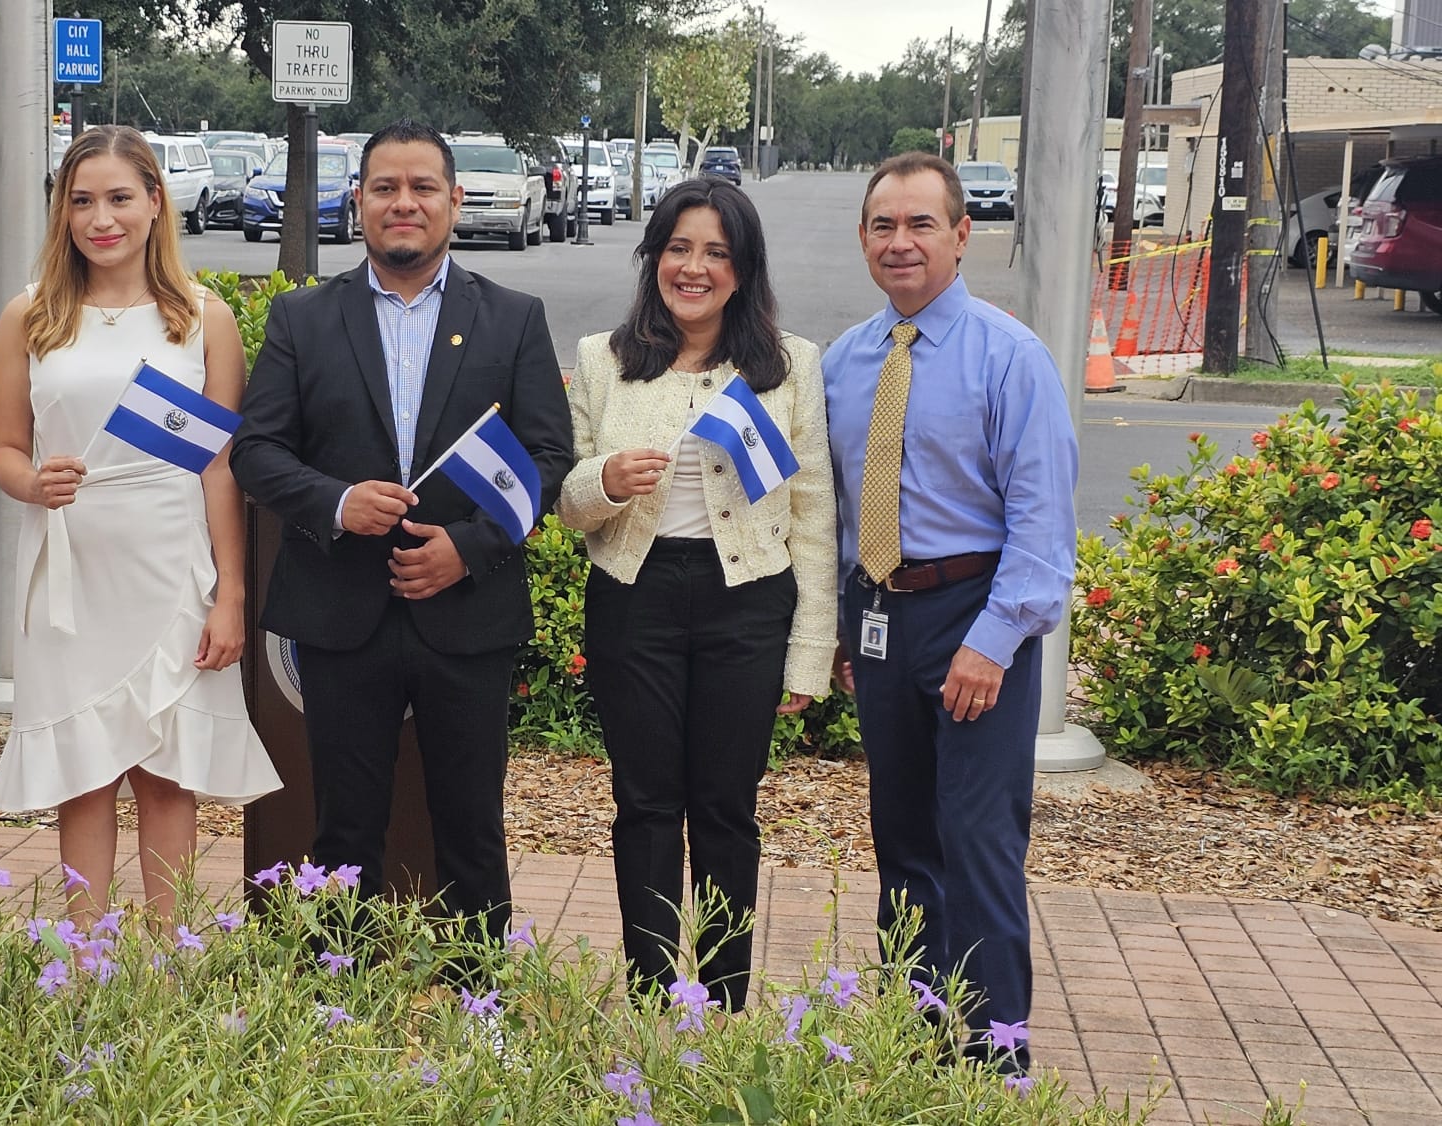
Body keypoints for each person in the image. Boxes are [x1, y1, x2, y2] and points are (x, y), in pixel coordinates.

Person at [230, 120, 573, 950]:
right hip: (341, 615)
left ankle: (477, 1001)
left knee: (470, 827)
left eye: (423, 187)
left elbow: (550, 458)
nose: (404, 203)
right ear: (361, 200)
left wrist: (471, 546)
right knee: (343, 825)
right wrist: (337, 501)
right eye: (385, 187)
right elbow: (255, 451)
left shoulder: (513, 318)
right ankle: (333, 1003)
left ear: (454, 201)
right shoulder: (303, 318)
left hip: (469, 615)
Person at [821, 152, 1078, 1071]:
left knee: (977, 848)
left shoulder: (1012, 358)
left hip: (979, 621)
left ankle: (996, 1057)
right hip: (885, 622)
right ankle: (914, 1037)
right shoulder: (846, 363)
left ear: (963, 235)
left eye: (921, 224)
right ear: (863, 238)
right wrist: (848, 628)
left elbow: (1043, 527)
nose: (901, 243)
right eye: (884, 225)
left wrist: (995, 642)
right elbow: (841, 511)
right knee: (904, 843)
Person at [0, 126, 280, 924]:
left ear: (156, 202)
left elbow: (220, 466)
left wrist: (230, 595)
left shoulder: (202, 318)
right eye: (81, 201)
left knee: (166, 770)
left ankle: (168, 968)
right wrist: (34, 482)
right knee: (82, 773)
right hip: (73, 570)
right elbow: (4, 450)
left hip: (170, 566)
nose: (100, 218)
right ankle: (86, 968)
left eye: (119, 198)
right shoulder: (29, 317)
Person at [556, 178, 838, 1011]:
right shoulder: (601, 360)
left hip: (746, 601)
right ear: (654, 257)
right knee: (643, 804)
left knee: (725, 808)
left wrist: (809, 654)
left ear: (743, 270)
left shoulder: (789, 366)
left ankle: (719, 1001)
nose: (695, 267)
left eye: (716, 252)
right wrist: (603, 479)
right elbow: (565, 501)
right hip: (633, 596)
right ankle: (651, 999)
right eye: (680, 248)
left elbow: (814, 512)